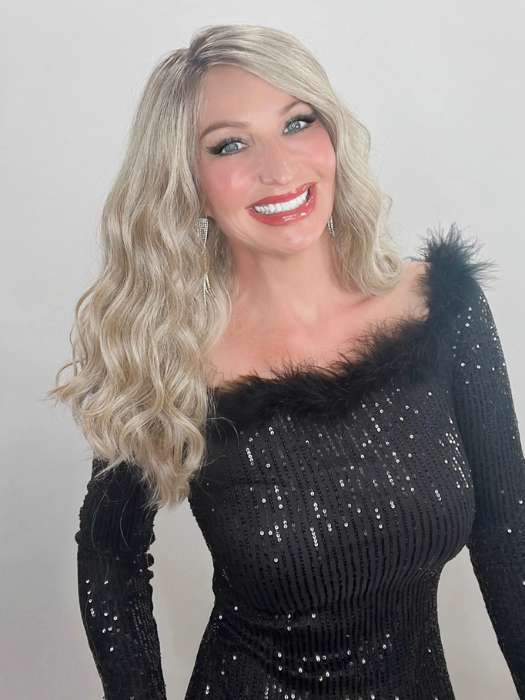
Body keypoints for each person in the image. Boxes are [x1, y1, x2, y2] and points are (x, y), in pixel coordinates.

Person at [49, 23, 525, 700]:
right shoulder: (166, 360)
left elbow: (507, 530)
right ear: (189, 183)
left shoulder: (440, 309)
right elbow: (110, 553)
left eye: (297, 122)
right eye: (229, 144)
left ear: (332, 135)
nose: (278, 168)